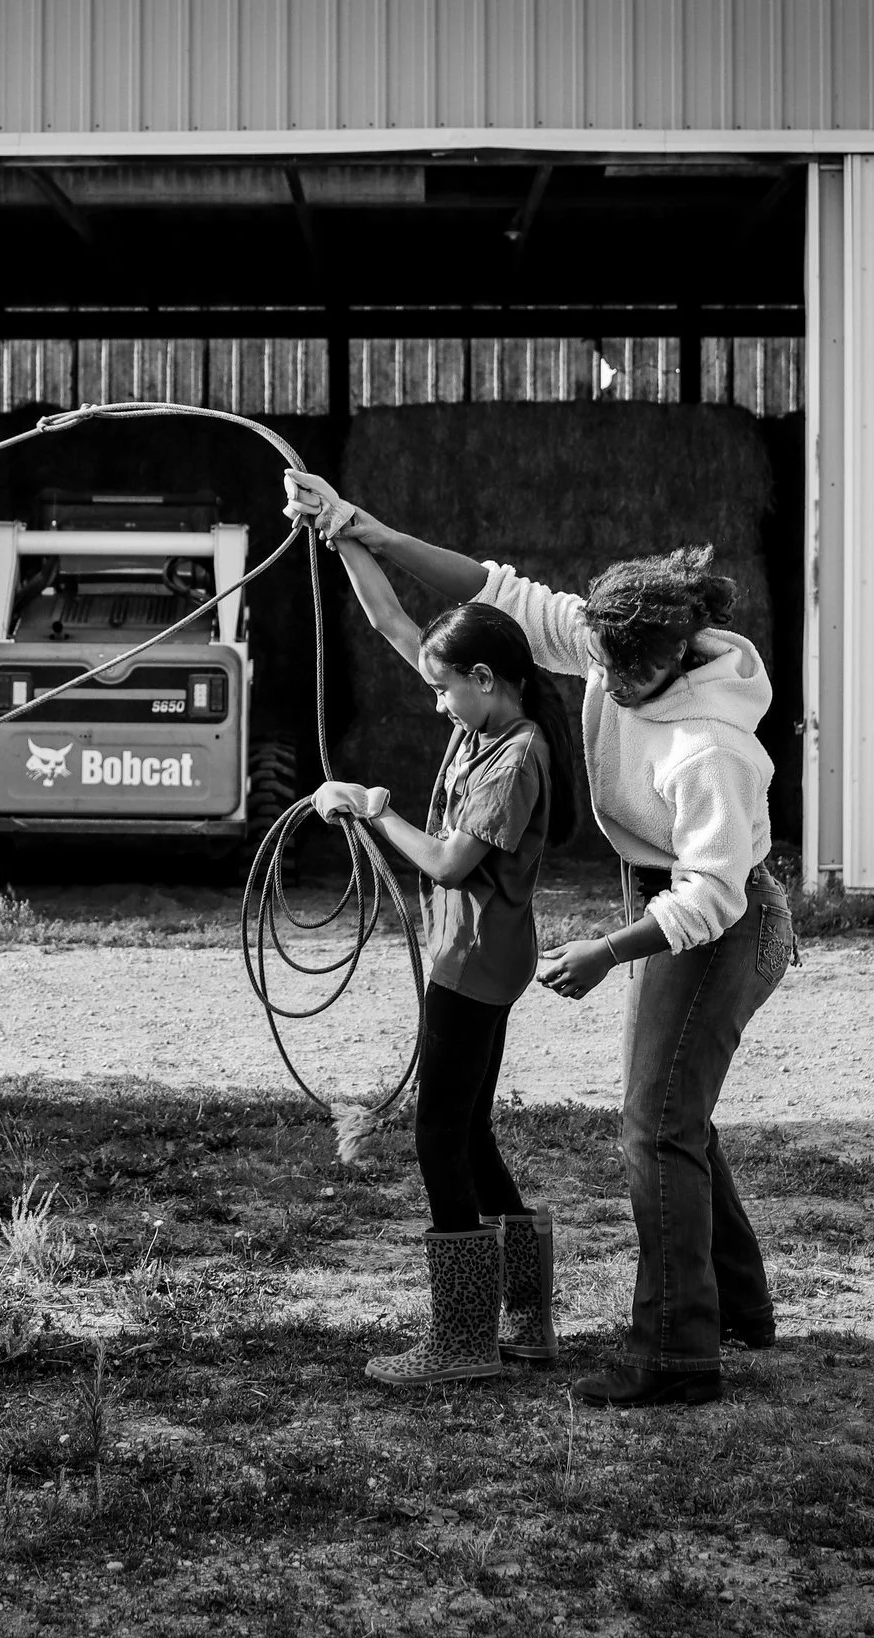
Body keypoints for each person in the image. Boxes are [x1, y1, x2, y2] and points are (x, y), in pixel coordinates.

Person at [287, 469, 794, 1410]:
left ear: (673, 657)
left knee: (655, 1127)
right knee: (668, 1115)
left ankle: (675, 1351)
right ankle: (734, 1305)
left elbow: (711, 895)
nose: (605, 680)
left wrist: (607, 951)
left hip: (722, 920)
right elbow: (489, 589)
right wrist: (354, 526)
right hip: (661, 898)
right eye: (595, 663)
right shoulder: (612, 646)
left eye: (624, 675)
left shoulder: (708, 748)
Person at [304, 525, 581, 1389]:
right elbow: (393, 622)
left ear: (487, 681)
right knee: (469, 1127)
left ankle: (460, 1341)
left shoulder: (515, 756)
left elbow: (453, 862)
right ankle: (526, 1321)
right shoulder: (490, 722)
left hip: (473, 961)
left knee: (437, 1135)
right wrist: (340, 529)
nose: (435, 704)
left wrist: (371, 807)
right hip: (478, 954)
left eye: (445, 691)